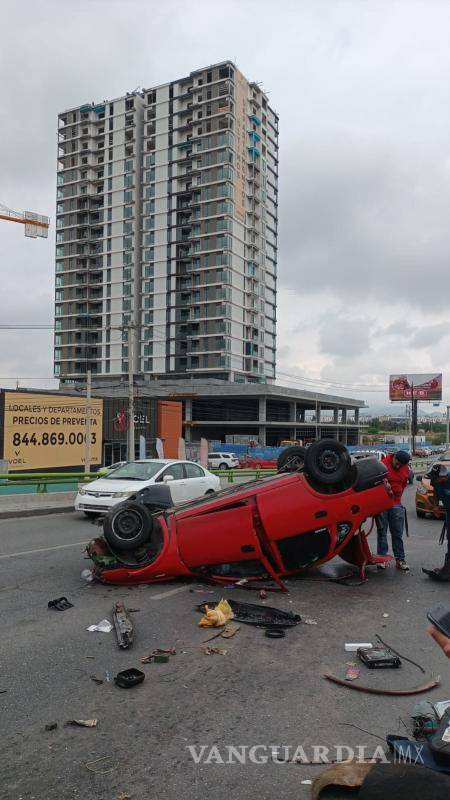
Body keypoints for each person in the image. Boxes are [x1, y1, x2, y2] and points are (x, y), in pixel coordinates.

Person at [376, 449, 411, 571]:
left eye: (401, 465)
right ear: (394, 457)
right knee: (382, 532)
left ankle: (400, 559)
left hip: (396, 503)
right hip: (382, 504)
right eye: (397, 463)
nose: (398, 466)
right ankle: (382, 559)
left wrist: (397, 497)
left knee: (397, 533)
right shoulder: (382, 464)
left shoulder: (405, 468)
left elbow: (404, 484)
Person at [422, 464, 450, 581]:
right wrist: (435, 506)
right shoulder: (436, 481)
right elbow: (435, 492)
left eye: (435, 477)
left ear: (443, 477)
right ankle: (447, 569)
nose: (432, 480)